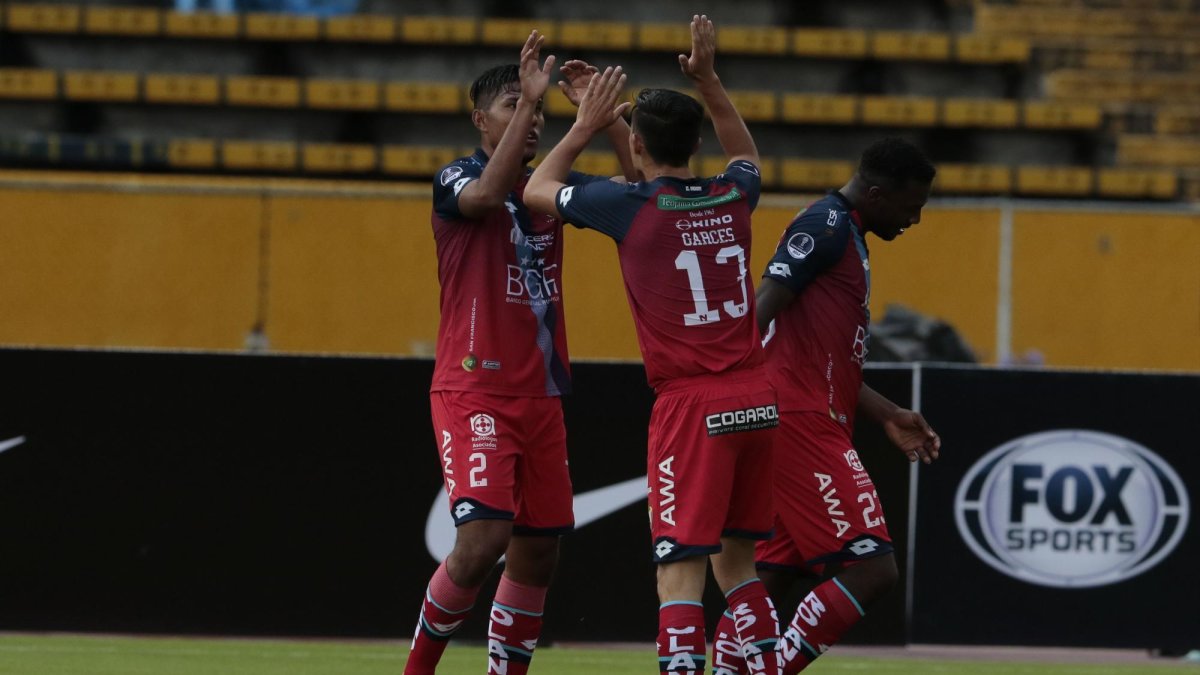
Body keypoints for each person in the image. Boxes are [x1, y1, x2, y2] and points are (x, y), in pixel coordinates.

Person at [526, 16, 783, 675]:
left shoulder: (625, 204)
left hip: (692, 406)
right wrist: (708, 80)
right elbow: (745, 154)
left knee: (679, 574)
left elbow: (534, 189)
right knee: (741, 568)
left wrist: (585, 124)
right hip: (756, 397)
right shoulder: (734, 193)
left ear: (636, 144)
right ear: (696, 141)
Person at [405, 32, 635, 675]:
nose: (532, 118)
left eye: (537, 110)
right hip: (474, 389)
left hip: (542, 394)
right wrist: (561, 119)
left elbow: (640, 184)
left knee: (539, 553)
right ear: (481, 119)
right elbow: (482, 199)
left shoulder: (545, 190)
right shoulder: (457, 177)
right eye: (516, 106)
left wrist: (608, 117)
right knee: (481, 543)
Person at [710, 137, 942, 674]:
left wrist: (888, 414)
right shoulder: (826, 227)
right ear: (878, 194)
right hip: (798, 422)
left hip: (806, 415)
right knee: (871, 570)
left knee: (768, 576)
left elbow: (825, 360)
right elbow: (761, 308)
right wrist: (721, 391)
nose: (915, 220)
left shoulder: (849, 234)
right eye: (912, 207)